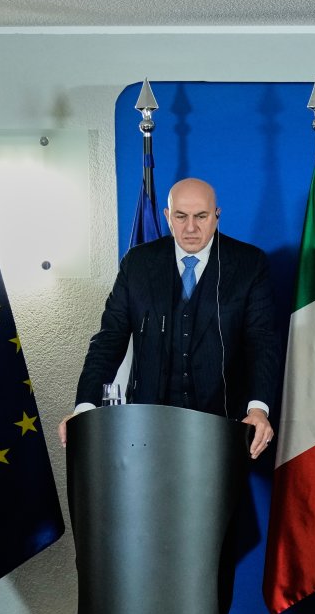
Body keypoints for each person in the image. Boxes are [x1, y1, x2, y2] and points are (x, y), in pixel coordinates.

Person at [61, 177, 277, 457]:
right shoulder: (137, 263)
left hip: (223, 427)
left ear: (217, 216)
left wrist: (258, 410)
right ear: (167, 216)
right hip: (145, 428)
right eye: (180, 216)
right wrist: (85, 409)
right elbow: (108, 340)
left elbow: (263, 344)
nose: (190, 228)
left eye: (201, 216)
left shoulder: (250, 264)